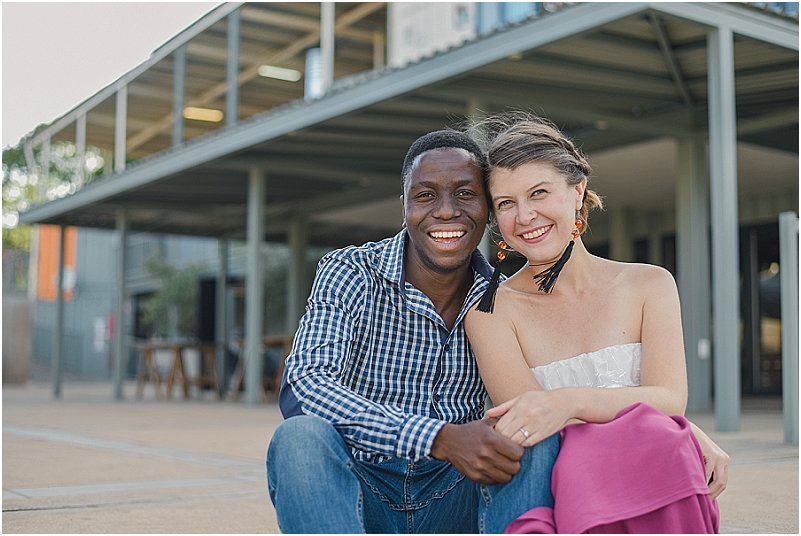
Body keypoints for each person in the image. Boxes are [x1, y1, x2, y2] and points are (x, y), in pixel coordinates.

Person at [267, 129, 560, 533]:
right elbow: (304, 386)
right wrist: (437, 437)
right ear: (404, 205)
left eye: (465, 194)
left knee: (536, 431)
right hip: (361, 487)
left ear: (489, 209)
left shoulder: (504, 298)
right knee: (299, 438)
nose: (445, 211)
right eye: (425, 196)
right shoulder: (351, 271)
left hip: (458, 492)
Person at [465, 112, 729, 533]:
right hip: (563, 497)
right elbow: (533, 427)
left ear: (577, 191)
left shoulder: (650, 284)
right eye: (506, 204)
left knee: (669, 448)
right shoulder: (489, 312)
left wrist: (570, 402)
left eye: (539, 193)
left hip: (657, 479)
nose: (526, 215)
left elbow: (670, 398)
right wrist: (677, 428)